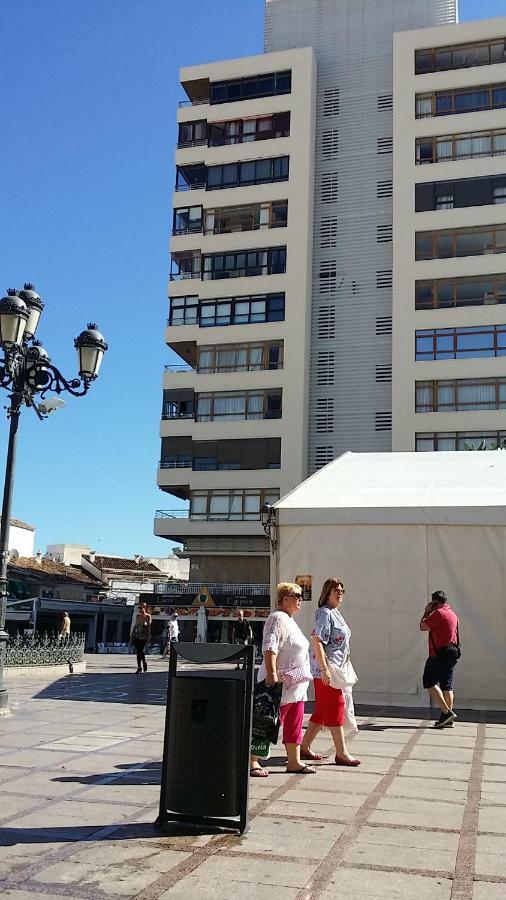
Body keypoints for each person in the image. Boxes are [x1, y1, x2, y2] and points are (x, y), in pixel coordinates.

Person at [250, 582, 314, 778]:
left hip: (295, 686)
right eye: (296, 595)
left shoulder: (289, 620)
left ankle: (294, 761)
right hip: (279, 684)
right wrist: (271, 675)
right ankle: (252, 761)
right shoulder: (277, 618)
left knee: (294, 722)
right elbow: (270, 647)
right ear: (285, 599)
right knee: (267, 722)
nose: (300, 599)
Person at [301, 578, 361, 767]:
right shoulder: (324, 613)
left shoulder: (335, 613)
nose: (340, 593)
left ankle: (304, 746)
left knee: (322, 710)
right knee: (336, 705)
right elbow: (317, 640)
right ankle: (341, 752)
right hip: (327, 670)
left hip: (335, 669)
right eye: (336, 590)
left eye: (342, 590)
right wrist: (324, 669)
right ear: (327, 592)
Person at [420, 590, 459, 729]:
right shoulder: (452, 613)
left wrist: (426, 612)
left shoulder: (439, 613)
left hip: (438, 655)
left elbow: (423, 626)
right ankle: (447, 718)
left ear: (435, 602)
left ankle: (446, 713)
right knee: (446, 685)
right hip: (452, 653)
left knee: (429, 681)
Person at [130, 602, 152, 674]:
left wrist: (149, 636)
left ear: (145, 608)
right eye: (139, 607)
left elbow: (149, 627)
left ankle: (142, 664)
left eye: (141, 607)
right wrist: (132, 633)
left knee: (140, 650)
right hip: (137, 635)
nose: (140, 609)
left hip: (144, 636)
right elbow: (135, 625)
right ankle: (140, 666)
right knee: (139, 651)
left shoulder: (148, 616)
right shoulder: (138, 616)